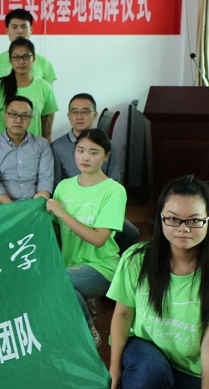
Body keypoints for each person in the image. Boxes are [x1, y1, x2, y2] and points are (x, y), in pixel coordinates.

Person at [107, 175, 209, 389]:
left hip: (192, 370)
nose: (183, 228)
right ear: (161, 218)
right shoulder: (136, 258)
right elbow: (123, 313)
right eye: (173, 219)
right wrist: (114, 368)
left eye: (194, 220)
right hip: (145, 354)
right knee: (151, 370)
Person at [45, 129, 127, 348]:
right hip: (69, 264)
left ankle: (88, 330)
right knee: (52, 281)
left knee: (57, 282)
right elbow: (54, 227)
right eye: (80, 150)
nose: (85, 157)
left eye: (93, 152)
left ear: (106, 156)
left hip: (101, 266)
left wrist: (62, 213)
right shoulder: (64, 186)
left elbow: (99, 239)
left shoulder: (114, 191)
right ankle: (82, 302)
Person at [52, 93, 139, 253]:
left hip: (100, 202)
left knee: (131, 233)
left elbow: (114, 179)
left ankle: (120, 264)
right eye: (75, 112)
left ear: (95, 115)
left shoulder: (107, 145)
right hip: (72, 204)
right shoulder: (57, 146)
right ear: (68, 115)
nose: (79, 116)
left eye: (85, 112)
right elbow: (57, 183)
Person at [0, 37, 58, 140]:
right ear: (10, 60)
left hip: (33, 146)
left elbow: (47, 131)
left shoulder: (45, 87)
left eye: (26, 57)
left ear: (34, 59)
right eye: (16, 57)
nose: (21, 61)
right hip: (3, 147)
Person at [0, 96, 53, 204]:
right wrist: (14, 208)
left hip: (34, 204)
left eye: (24, 116)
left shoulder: (42, 144)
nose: (18, 120)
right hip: (2, 206)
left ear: (30, 119)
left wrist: (38, 202)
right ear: (5, 116)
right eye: (13, 114)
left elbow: (46, 179)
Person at [0, 8, 57, 103]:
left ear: (31, 29)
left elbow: (49, 103)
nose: (20, 31)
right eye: (14, 27)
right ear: (7, 30)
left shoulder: (44, 63)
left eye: (24, 27)